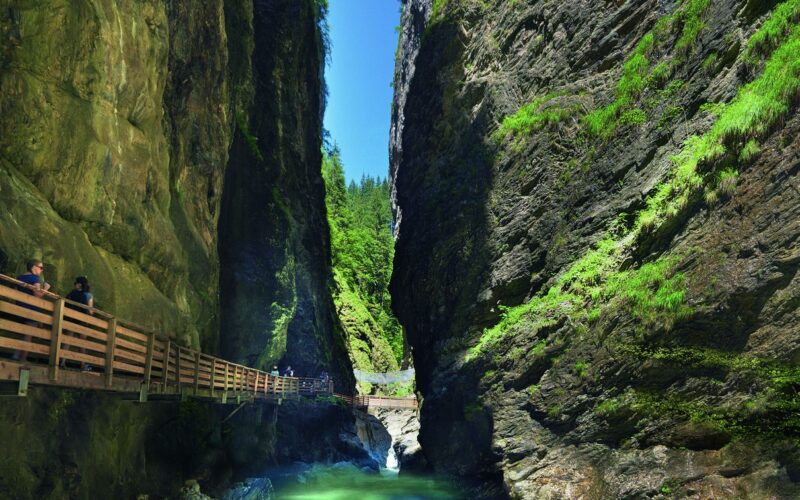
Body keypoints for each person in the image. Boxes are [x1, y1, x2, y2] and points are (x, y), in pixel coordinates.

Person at [14, 259, 50, 361]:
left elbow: (16, 291)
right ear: (34, 268)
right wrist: (46, 289)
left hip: (19, 308)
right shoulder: (35, 278)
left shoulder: (20, 277)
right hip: (31, 310)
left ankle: (16, 354)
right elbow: (38, 295)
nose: (42, 270)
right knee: (28, 334)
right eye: (41, 268)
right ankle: (23, 358)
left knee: (20, 333)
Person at [65, 276, 94, 371]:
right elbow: (90, 311)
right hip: (82, 321)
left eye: (76, 283)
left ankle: (61, 361)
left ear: (79, 284)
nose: (74, 284)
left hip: (71, 319)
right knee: (82, 344)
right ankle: (83, 365)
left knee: (67, 341)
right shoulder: (88, 295)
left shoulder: (71, 294)